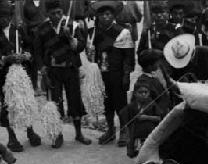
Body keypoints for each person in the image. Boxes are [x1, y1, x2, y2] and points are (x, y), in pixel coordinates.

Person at [34, 0, 91, 148]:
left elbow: (81, 47)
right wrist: (42, 69)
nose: (57, 15)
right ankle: (58, 134)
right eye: (53, 13)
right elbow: (37, 52)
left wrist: (70, 37)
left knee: (75, 100)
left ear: (62, 11)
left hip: (70, 69)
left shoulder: (72, 25)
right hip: (53, 72)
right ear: (47, 14)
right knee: (56, 102)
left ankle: (79, 133)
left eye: (59, 12)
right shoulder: (42, 29)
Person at [0, 0, 42, 152]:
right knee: (7, 105)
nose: (3, 20)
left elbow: (30, 46)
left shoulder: (18, 31)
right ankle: (11, 137)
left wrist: (26, 55)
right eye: (0, 16)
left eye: (6, 16)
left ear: (11, 16)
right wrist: (5, 59)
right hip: (4, 77)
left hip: (21, 75)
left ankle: (30, 132)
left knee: (25, 102)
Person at [91, 0, 135, 147]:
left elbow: (129, 56)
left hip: (118, 73)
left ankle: (124, 130)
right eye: (102, 14)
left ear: (113, 15)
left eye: (108, 14)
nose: (105, 17)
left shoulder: (123, 32)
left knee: (120, 103)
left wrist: (126, 75)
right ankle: (110, 130)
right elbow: (96, 54)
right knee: (107, 104)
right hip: (103, 74)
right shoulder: (97, 33)